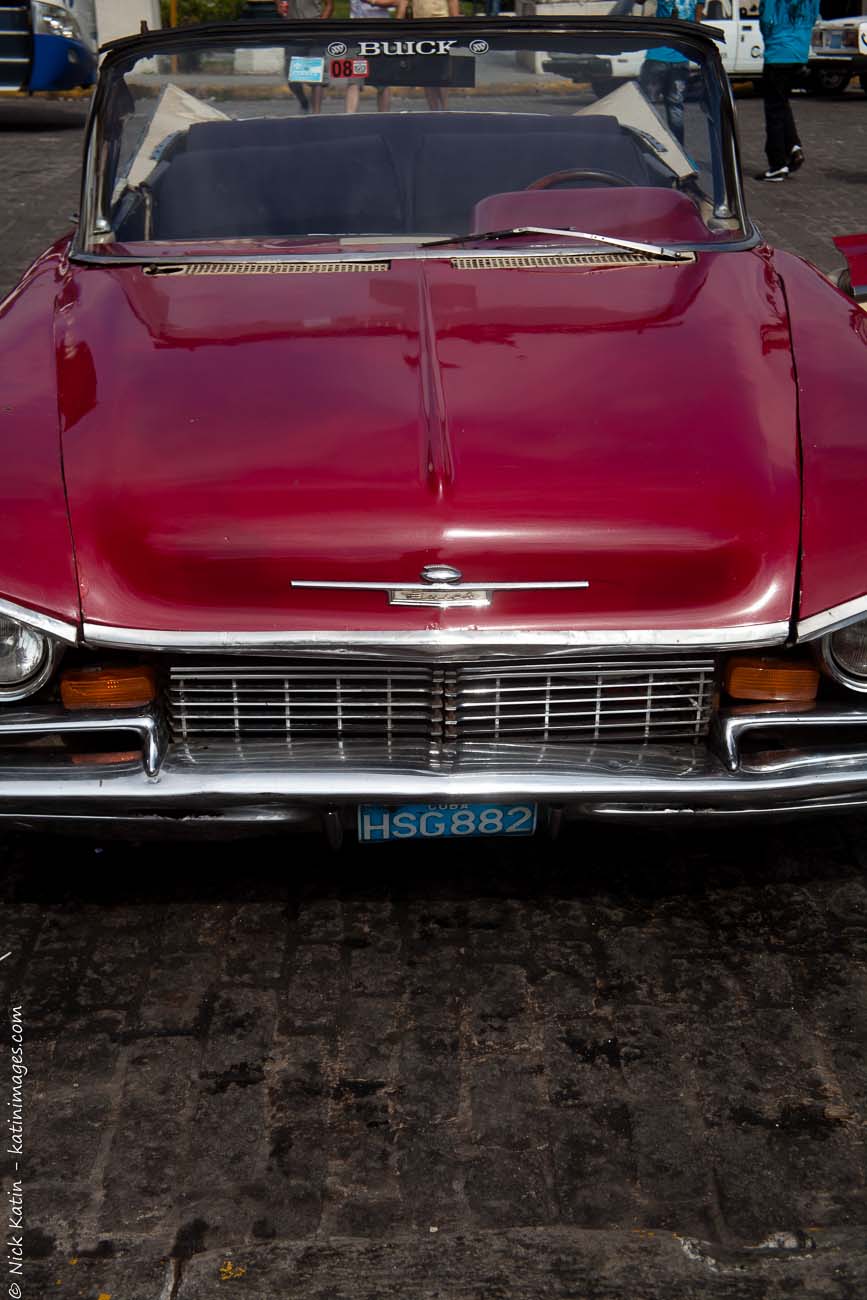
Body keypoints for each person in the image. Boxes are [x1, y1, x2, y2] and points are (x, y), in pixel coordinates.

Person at [755, 0, 820, 181]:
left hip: (778, 52)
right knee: (781, 103)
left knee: (774, 110)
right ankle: (793, 146)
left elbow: (766, 20)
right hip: (799, 52)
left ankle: (777, 164)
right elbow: (814, 17)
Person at [639, 0, 703, 148]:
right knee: (675, 108)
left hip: (657, 54)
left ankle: (645, 149)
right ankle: (678, 153)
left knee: (647, 106)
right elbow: (698, 19)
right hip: (681, 57)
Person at [395, 0, 461, 111]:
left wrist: (457, 26)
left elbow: (452, 2)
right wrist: (396, 24)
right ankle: (433, 111)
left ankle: (445, 110)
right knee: (426, 72)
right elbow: (403, 2)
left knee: (442, 72)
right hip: (421, 27)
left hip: (441, 26)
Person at [275, 0, 333, 115]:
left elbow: (330, 5)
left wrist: (321, 24)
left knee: (316, 74)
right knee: (292, 77)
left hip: (314, 30)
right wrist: (279, 6)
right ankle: (303, 102)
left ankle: (316, 114)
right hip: (294, 32)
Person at [346, 0, 394, 113]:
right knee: (353, 80)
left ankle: (385, 118)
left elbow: (397, 2)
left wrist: (371, 1)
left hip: (380, 35)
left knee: (383, 82)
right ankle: (349, 119)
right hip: (357, 35)